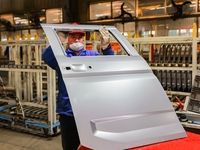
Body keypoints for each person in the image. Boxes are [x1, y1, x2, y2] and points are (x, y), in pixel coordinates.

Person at [42, 26, 114, 150]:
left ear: (83, 40)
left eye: (79, 37)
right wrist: (57, 41)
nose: (76, 40)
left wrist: (106, 46)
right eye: (73, 37)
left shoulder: (92, 55)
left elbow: (109, 62)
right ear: (67, 39)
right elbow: (46, 57)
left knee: (93, 145)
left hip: (90, 109)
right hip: (68, 110)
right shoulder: (61, 56)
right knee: (70, 145)